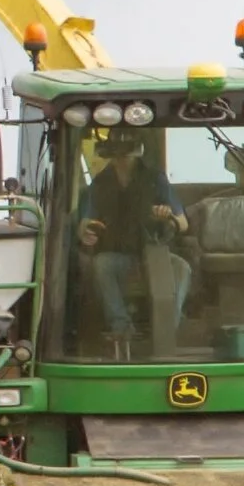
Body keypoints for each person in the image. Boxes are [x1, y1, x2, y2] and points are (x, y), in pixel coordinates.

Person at [75, 130, 189, 359]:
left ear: (137, 150)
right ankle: (122, 328)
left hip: (155, 251)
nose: (122, 156)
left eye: (127, 149)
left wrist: (167, 217)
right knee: (102, 265)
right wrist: (86, 231)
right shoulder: (99, 184)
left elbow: (183, 222)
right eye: (116, 149)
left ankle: (166, 329)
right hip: (117, 254)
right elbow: (85, 222)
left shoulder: (156, 179)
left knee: (182, 268)